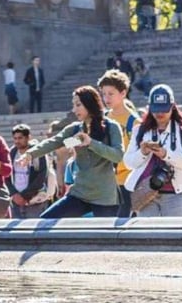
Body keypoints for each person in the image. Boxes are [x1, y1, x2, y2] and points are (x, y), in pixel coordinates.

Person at [34, 87, 125, 218]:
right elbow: (55, 142)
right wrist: (30, 154)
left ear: (89, 104)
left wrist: (91, 143)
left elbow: (118, 156)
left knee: (104, 231)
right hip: (79, 194)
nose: (74, 110)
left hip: (105, 197)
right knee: (46, 220)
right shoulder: (74, 129)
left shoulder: (111, 127)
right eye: (73, 105)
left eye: (78, 105)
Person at [123, 85, 182, 217]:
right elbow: (128, 163)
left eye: (164, 109)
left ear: (172, 107)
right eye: (155, 109)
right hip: (146, 192)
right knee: (147, 230)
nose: (159, 113)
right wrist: (142, 153)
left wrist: (166, 155)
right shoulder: (139, 130)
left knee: (174, 230)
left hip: (175, 193)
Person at [99, 70, 139, 218]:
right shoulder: (102, 118)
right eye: (104, 94)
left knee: (121, 224)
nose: (106, 98)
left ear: (123, 93)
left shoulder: (134, 122)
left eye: (111, 93)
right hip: (105, 181)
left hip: (126, 182)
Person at [6, 124, 56, 219]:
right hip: (16, 202)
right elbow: (6, 175)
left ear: (28, 137)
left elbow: (41, 177)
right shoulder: (12, 153)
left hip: (35, 201)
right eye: (15, 138)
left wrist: (24, 196)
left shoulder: (38, 153)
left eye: (20, 138)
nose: (17, 141)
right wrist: (14, 194)